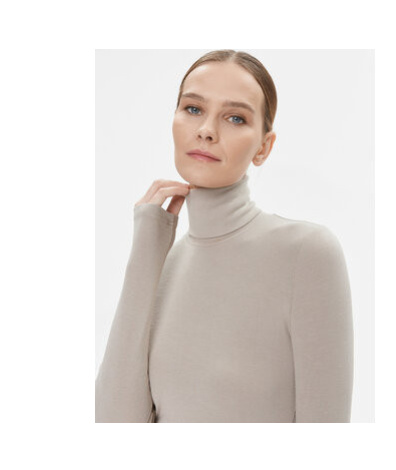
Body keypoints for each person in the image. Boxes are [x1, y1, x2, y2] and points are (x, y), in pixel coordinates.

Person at [95, 49, 354, 423]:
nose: (206, 130)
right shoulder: (163, 263)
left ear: (263, 147)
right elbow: (113, 423)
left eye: (235, 118)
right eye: (193, 108)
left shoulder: (306, 254)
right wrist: (144, 255)